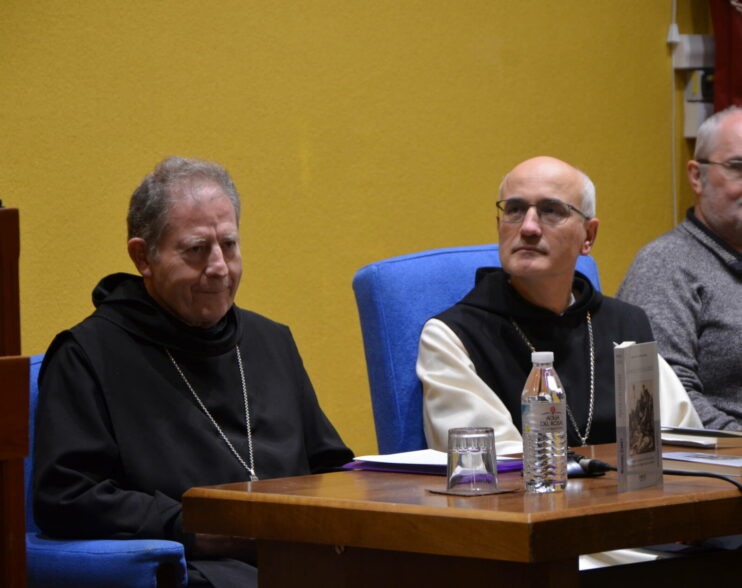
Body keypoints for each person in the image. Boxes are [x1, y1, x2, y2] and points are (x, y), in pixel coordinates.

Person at [33, 156, 354, 588]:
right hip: (201, 566)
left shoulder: (271, 341)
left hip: (301, 554)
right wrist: (196, 529)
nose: (219, 266)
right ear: (142, 256)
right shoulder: (88, 355)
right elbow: (66, 496)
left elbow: (329, 465)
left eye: (230, 245)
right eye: (197, 249)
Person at [417, 156, 701, 457]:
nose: (528, 227)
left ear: (588, 236)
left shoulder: (626, 326)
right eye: (514, 210)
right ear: (499, 226)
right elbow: (490, 464)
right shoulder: (452, 337)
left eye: (551, 211)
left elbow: (682, 444)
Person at [618, 106, 742, 431]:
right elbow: (668, 397)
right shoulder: (665, 265)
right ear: (697, 176)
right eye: (738, 167)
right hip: (721, 464)